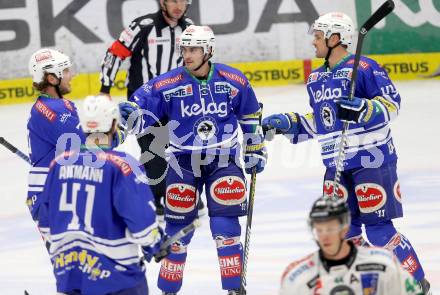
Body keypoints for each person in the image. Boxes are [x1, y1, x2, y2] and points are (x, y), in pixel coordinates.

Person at [263, 12, 431, 292]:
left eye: (318, 37)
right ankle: (369, 283)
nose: (313, 43)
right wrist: (290, 123)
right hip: (337, 164)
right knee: (347, 234)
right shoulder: (316, 77)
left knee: (379, 231)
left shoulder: (365, 67)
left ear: (335, 38)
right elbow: (323, 122)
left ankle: (416, 284)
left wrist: (365, 109)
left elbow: (392, 105)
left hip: (372, 160)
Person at [120, 25, 267, 294]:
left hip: (223, 158)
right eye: (184, 49)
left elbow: (250, 116)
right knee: (177, 230)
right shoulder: (167, 83)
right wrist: (129, 115)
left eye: (194, 49)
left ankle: (234, 288)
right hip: (181, 161)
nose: (187, 55)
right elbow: (140, 110)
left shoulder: (233, 80)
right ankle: (168, 290)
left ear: (208, 50)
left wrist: (255, 146)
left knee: (226, 226)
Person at [37, 95, 166, 295]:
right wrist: (156, 244)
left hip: (70, 273)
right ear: (114, 124)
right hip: (117, 277)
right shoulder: (123, 165)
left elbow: (45, 224)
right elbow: (143, 225)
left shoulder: (58, 163)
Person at [100, 0, 194, 216]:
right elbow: (116, 53)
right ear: (162, 2)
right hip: (144, 103)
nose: (178, 5)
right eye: (173, 0)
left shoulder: (189, 27)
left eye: (182, 0)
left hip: (176, 102)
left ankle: (181, 194)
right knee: (154, 153)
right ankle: (154, 198)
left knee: (183, 151)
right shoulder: (143, 25)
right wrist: (105, 88)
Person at [279, 196, 425, 295]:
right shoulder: (297, 276)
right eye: (319, 230)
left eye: (330, 229)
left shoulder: (383, 264)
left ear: (345, 227)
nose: (324, 236)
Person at [26, 48, 85, 223]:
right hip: (53, 200)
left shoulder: (49, 105)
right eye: (66, 70)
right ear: (52, 78)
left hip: (51, 194)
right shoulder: (55, 111)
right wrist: (117, 131)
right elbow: (89, 150)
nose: (72, 75)